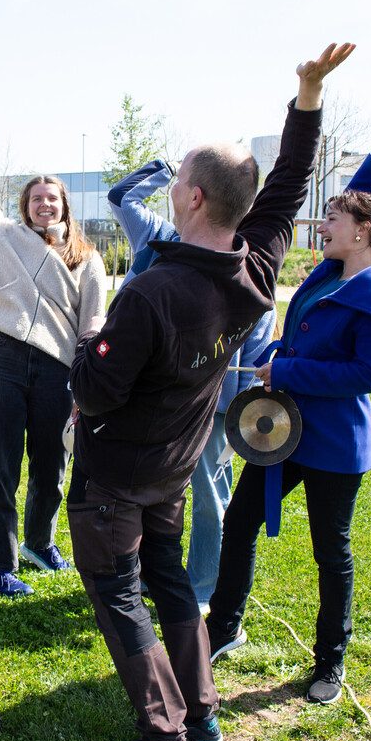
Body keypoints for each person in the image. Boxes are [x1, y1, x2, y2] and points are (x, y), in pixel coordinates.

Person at [68, 43, 354, 741]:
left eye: (182, 174)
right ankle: (204, 716)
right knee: (168, 585)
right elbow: (289, 182)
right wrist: (308, 96)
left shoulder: (153, 293)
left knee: (121, 597)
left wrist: (91, 340)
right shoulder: (254, 268)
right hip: (173, 467)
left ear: (192, 196)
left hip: (119, 480)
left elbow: (94, 390)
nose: (175, 184)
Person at [206, 139, 371, 708]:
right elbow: (360, 197)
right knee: (238, 523)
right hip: (282, 428)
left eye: (334, 219)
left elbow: (367, 374)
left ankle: (330, 663)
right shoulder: (328, 271)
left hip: (335, 444)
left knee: (329, 553)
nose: (323, 224)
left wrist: (287, 367)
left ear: (363, 232)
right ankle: (223, 628)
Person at [107, 162, 277, 612]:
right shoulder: (158, 237)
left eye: (185, 182)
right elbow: (122, 197)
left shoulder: (248, 269)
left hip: (214, 408)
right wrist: (164, 172)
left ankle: (203, 588)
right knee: (151, 494)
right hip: (151, 401)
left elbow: (258, 349)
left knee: (207, 499)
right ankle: (147, 576)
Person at [0, 121, 107, 597]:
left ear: (65, 205)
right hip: (2, 362)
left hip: (57, 370)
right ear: (25, 207)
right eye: (36, 199)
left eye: (53, 199)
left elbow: (94, 323)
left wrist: (85, 383)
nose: (45, 205)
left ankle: (39, 542)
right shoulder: (5, 236)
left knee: (51, 467)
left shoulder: (88, 258)